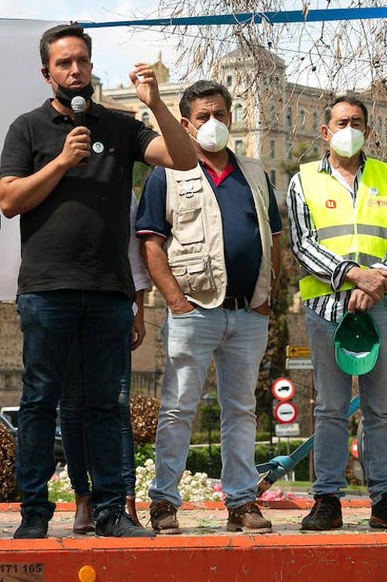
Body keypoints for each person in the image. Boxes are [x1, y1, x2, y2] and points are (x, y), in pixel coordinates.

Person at [0, 23, 196, 539]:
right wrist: (63, 161)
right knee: (40, 402)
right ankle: (34, 513)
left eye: (82, 61)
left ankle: (111, 511)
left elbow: (184, 158)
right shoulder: (27, 128)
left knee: (107, 406)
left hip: (109, 291)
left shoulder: (119, 125)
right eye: (64, 63)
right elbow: (9, 200)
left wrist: (155, 105)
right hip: (47, 290)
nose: (75, 70)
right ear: (47, 73)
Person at [136, 80, 282, 534]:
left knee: (241, 410)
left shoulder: (254, 172)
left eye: (220, 114)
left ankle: (241, 502)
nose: (213, 123)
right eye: (203, 116)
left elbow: (274, 239)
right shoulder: (167, 173)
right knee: (178, 408)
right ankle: (164, 502)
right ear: (186, 123)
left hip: (247, 314)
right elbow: (151, 244)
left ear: (231, 117)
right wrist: (176, 303)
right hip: (193, 311)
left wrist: (267, 298)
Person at [286, 95, 387, 532]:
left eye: (357, 122)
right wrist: (352, 276)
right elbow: (303, 244)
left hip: (382, 305)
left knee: (380, 407)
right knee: (330, 407)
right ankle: (327, 500)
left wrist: (375, 279)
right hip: (327, 308)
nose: (350, 129)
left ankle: (385, 499)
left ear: (368, 130)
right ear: (325, 131)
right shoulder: (304, 180)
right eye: (342, 122)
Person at [60, 193, 151, 533]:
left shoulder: (121, 184)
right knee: (71, 405)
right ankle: (82, 499)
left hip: (113, 303)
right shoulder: (52, 171)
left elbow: (133, 252)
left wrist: (138, 311)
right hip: (63, 300)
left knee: (117, 405)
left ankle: (124, 500)